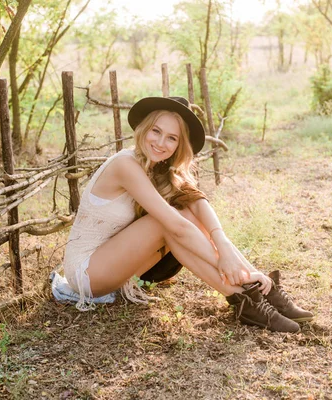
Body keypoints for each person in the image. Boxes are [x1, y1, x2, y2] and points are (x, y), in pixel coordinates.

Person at [61, 96, 313, 332]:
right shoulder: (125, 164)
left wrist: (224, 245)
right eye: (156, 131)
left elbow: (197, 202)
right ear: (143, 129)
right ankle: (247, 287)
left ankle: (251, 297)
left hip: (114, 261)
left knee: (184, 212)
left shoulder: (156, 167)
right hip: (87, 272)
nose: (161, 143)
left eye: (171, 138)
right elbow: (177, 226)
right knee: (166, 223)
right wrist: (226, 263)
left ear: (179, 145)